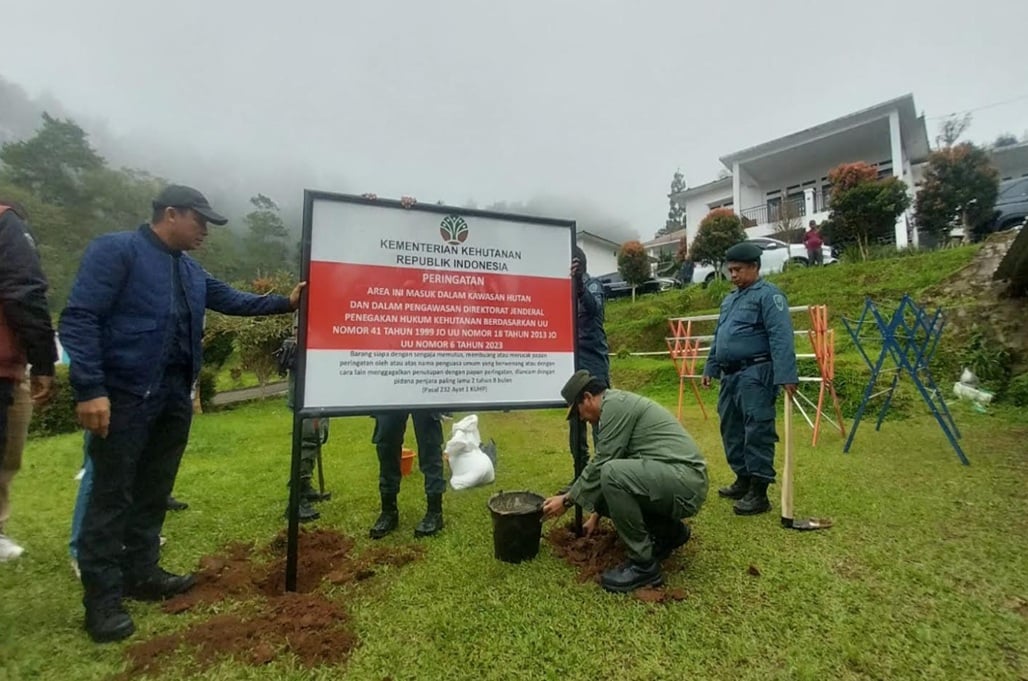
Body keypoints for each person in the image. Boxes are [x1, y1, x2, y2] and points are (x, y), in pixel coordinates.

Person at [59, 185, 305, 643]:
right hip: (125, 395)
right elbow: (80, 318)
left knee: (154, 488)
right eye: (200, 222)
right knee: (111, 495)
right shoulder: (118, 251)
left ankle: (142, 571)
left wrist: (285, 302)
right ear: (170, 214)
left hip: (173, 397)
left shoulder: (190, 271)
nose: (205, 232)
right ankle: (102, 600)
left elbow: (234, 300)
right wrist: (91, 388)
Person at [542, 370, 708, 593]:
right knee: (607, 480)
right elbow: (615, 465)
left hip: (685, 481)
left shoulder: (614, 407)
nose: (580, 418)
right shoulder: (615, 406)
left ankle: (643, 566)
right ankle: (670, 532)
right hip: (674, 479)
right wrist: (595, 515)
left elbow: (604, 464)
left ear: (588, 398)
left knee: (610, 471)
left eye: (577, 411)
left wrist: (568, 499)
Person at [356, 194, 446, 540]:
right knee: (387, 444)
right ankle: (388, 509)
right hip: (389, 375)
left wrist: (416, 215)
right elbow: (363, 255)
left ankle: (434, 510)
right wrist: (371, 213)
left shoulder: (435, 278)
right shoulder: (378, 277)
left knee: (429, 444)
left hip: (424, 374)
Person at [701, 242, 797, 516]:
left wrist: (786, 375)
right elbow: (720, 336)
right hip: (730, 376)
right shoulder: (730, 299)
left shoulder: (769, 296)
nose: (733, 275)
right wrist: (711, 367)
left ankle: (759, 490)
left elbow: (781, 336)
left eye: (738, 270)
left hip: (756, 373)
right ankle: (742, 479)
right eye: (730, 270)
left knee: (757, 428)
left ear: (754, 267)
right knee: (731, 429)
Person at [0, 200, 57, 561]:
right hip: (3, 365)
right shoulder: (6, 222)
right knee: (6, 452)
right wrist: (43, 360)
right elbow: (24, 290)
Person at [562, 245, 609, 492]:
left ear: (578, 265)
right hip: (572, 364)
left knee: (600, 423)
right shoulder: (563, 291)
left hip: (593, 364)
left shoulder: (592, 286)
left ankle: (604, 477)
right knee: (575, 424)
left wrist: (579, 283)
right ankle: (579, 475)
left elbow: (593, 308)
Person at [275, 322, 331, 523]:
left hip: (319, 380)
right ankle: (296, 499)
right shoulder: (311, 295)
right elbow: (301, 329)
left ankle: (305, 486)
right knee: (307, 439)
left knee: (317, 436)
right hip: (307, 386)